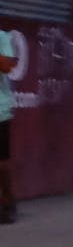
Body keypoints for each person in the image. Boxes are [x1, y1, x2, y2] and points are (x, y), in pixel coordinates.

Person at [0, 29, 16, 225]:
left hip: (0, 109)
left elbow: (6, 66)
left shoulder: (2, 37)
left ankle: (7, 202)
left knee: (2, 163)